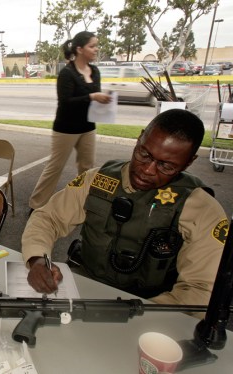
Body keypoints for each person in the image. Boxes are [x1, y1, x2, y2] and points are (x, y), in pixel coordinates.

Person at [23, 109, 229, 315]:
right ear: (140, 138)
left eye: (166, 166)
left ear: (189, 161)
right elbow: (48, 217)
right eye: (144, 154)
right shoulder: (97, 181)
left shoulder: (202, 208)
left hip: (152, 306)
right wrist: (37, 259)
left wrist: (139, 315)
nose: (147, 170)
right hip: (85, 287)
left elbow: (201, 289)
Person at [28, 31, 112, 212]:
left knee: (87, 167)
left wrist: (103, 101)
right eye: (92, 46)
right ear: (80, 49)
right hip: (66, 128)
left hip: (88, 127)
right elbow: (65, 102)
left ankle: (83, 203)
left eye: (96, 45)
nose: (96, 49)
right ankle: (37, 205)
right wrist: (92, 96)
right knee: (55, 167)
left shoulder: (95, 71)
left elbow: (94, 100)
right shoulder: (67, 73)